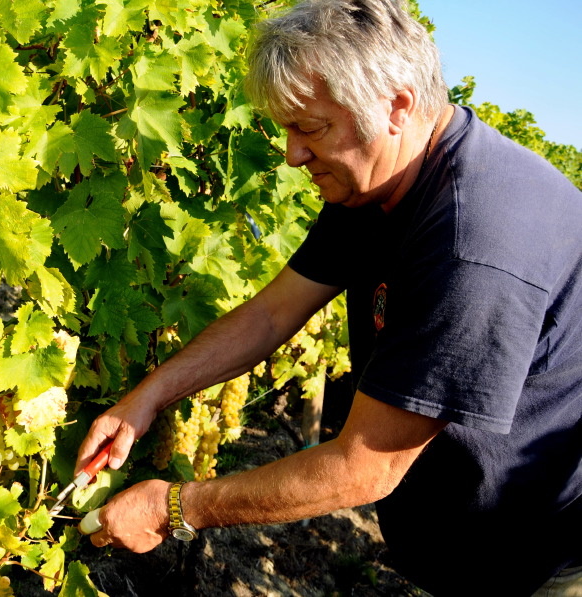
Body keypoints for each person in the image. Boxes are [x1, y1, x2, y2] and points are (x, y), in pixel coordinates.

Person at [72, 0, 582, 595]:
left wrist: (176, 509)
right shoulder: (376, 182)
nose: (292, 155)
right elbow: (270, 314)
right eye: (285, 130)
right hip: (463, 541)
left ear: (397, 105)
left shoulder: (474, 242)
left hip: (535, 559)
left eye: (310, 129)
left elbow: (364, 466)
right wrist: (145, 400)